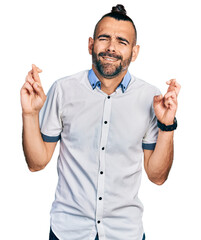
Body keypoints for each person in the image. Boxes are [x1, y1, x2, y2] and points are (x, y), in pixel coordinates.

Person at [20, 4, 180, 240]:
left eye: (122, 42)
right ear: (90, 45)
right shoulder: (63, 90)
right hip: (68, 231)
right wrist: (29, 114)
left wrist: (167, 126)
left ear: (134, 52)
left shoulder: (151, 97)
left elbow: (157, 177)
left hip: (125, 233)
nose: (111, 47)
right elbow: (37, 162)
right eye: (104, 38)